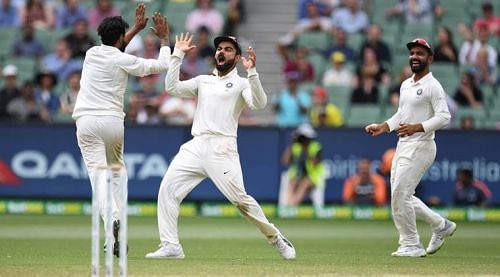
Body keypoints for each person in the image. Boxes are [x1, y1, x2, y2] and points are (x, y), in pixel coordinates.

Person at [145, 34, 296, 260]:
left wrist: (253, 73)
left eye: (228, 49)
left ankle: (276, 238)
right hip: (196, 144)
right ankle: (171, 245)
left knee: (240, 200)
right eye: (219, 49)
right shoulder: (203, 81)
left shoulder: (241, 83)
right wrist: (177, 54)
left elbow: (259, 103)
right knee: (167, 189)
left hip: (222, 147)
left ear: (236, 57)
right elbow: (172, 88)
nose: (221, 52)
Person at [72, 4, 171, 257]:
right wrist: (165, 40)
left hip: (86, 122)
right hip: (113, 122)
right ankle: (113, 236)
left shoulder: (91, 53)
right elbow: (162, 66)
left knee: (98, 177)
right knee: (117, 173)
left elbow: (115, 47)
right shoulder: (125, 59)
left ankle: (112, 222)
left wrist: (136, 28)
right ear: (119, 38)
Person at [365, 38, 456, 257]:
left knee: (399, 194)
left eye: (420, 54)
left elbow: (444, 117)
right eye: (412, 53)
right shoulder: (406, 84)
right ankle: (440, 225)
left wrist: (417, 127)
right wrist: (384, 126)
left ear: (430, 59)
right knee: (401, 196)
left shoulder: (433, 86)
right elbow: (402, 115)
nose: (415, 57)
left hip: (422, 145)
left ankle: (411, 244)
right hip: (403, 146)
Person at [281, 123, 326, 206]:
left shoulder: (316, 147)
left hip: (313, 178)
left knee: (305, 183)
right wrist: (292, 143)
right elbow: (285, 161)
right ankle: (289, 205)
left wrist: (306, 150)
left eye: (304, 138)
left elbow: (315, 163)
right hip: (297, 177)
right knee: (292, 182)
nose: (303, 140)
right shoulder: (295, 146)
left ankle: (292, 206)